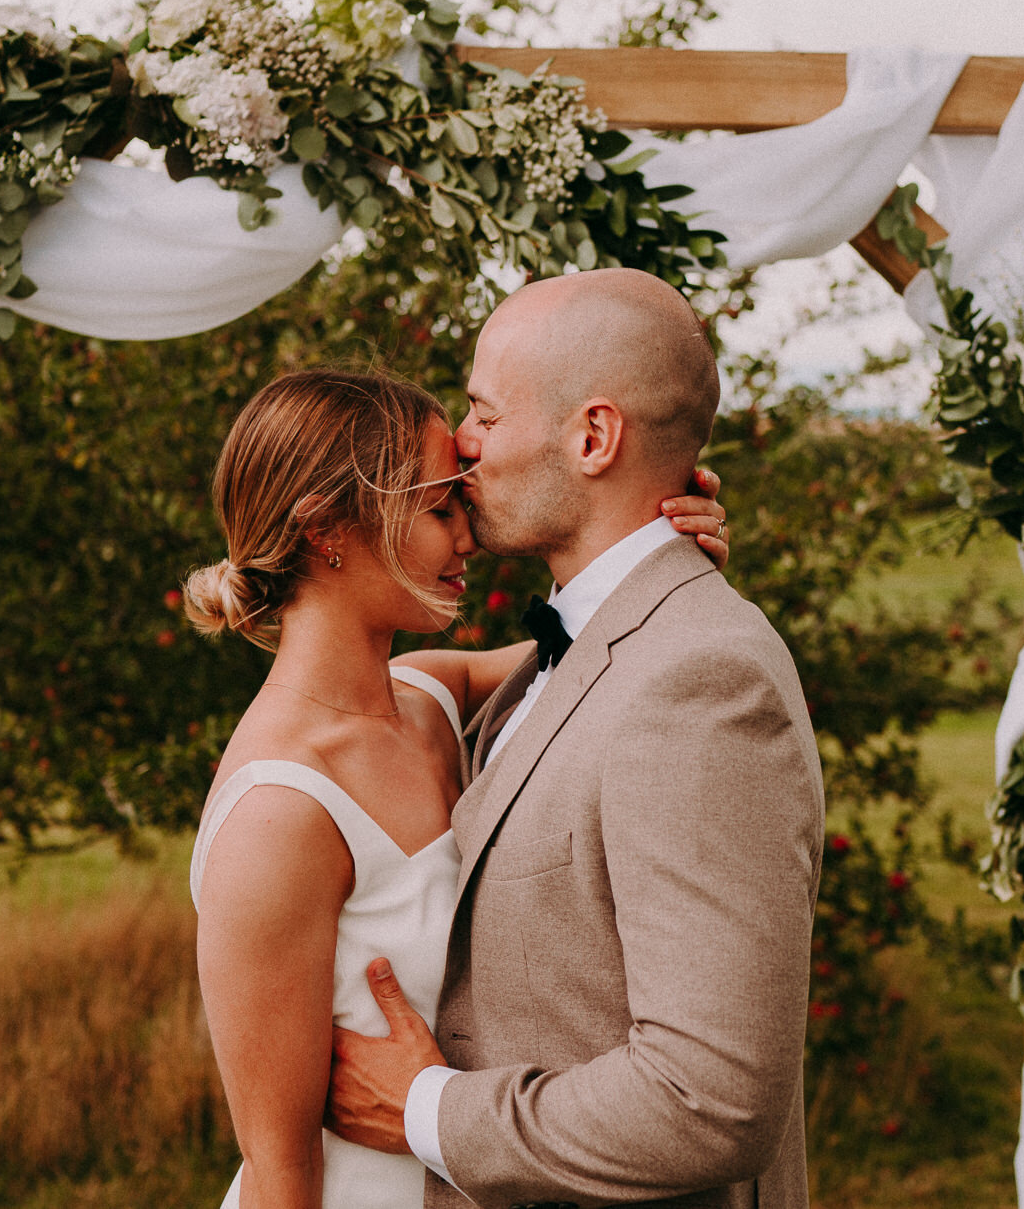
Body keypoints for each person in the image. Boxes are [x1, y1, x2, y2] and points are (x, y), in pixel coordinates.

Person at [324, 269, 824, 1209]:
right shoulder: (596, 646)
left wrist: (428, 1111)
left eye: (483, 412)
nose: (457, 447)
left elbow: (710, 1098)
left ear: (593, 437)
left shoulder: (701, 684)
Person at [184, 363, 730, 1209]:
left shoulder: (437, 696)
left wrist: (661, 545)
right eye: (439, 507)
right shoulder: (280, 812)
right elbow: (279, 1170)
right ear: (328, 529)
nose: (467, 535)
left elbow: (611, 646)